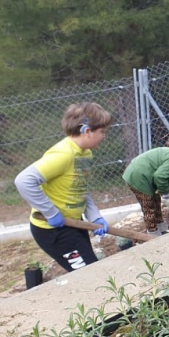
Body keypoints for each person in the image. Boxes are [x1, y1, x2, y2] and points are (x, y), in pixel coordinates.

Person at [14, 102, 112, 272]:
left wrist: (93, 215)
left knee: (91, 270)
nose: (104, 136)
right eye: (102, 132)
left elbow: (78, 186)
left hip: (74, 224)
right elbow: (23, 181)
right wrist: (50, 212)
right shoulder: (63, 154)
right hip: (54, 230)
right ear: (87, 131)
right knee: (89, 274)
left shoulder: (85, 152)